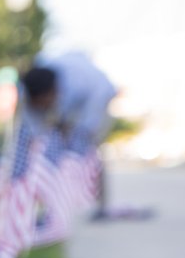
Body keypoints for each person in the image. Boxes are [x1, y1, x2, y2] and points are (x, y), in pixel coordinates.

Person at [19, 51, 117, 219]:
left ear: (52, 93)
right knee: (50, 150)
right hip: (70, 101)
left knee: (89, 154)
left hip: (97, 96)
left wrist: (74, 139)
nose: (43, 107)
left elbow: (87, 127)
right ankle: (43, 202)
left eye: (45, 102)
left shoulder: (81, 83)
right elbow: (33, 132)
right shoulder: (29, 90)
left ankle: (99, 206)